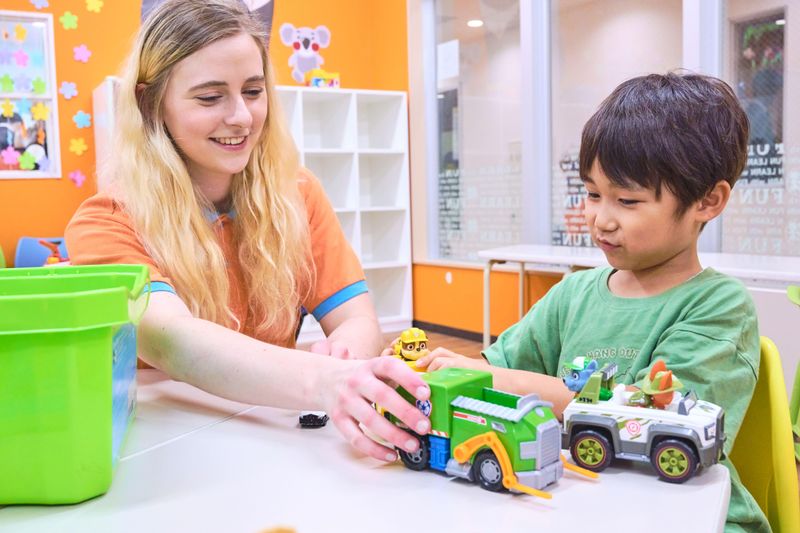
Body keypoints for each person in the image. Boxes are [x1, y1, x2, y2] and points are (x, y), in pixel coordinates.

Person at [65, 0, 430, 463]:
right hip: (172, 455)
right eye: (210, 97)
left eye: (254, 91)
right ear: (149, 103)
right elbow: (172, 341)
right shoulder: (106, 223)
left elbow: (357, 318)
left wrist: (347, 361)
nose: (241, 116)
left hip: (279, 443)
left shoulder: (298, 195)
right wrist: (320, 380)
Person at [414, 73, 768, 532]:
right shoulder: (573, 295)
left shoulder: (719, 306)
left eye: (627, 200)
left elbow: (649, 419)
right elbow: (493, 369)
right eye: (593, 194)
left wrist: (497, 378)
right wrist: (436, 375)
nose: (601, 219)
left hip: (689, 516)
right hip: (577, 504)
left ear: (708, 200)